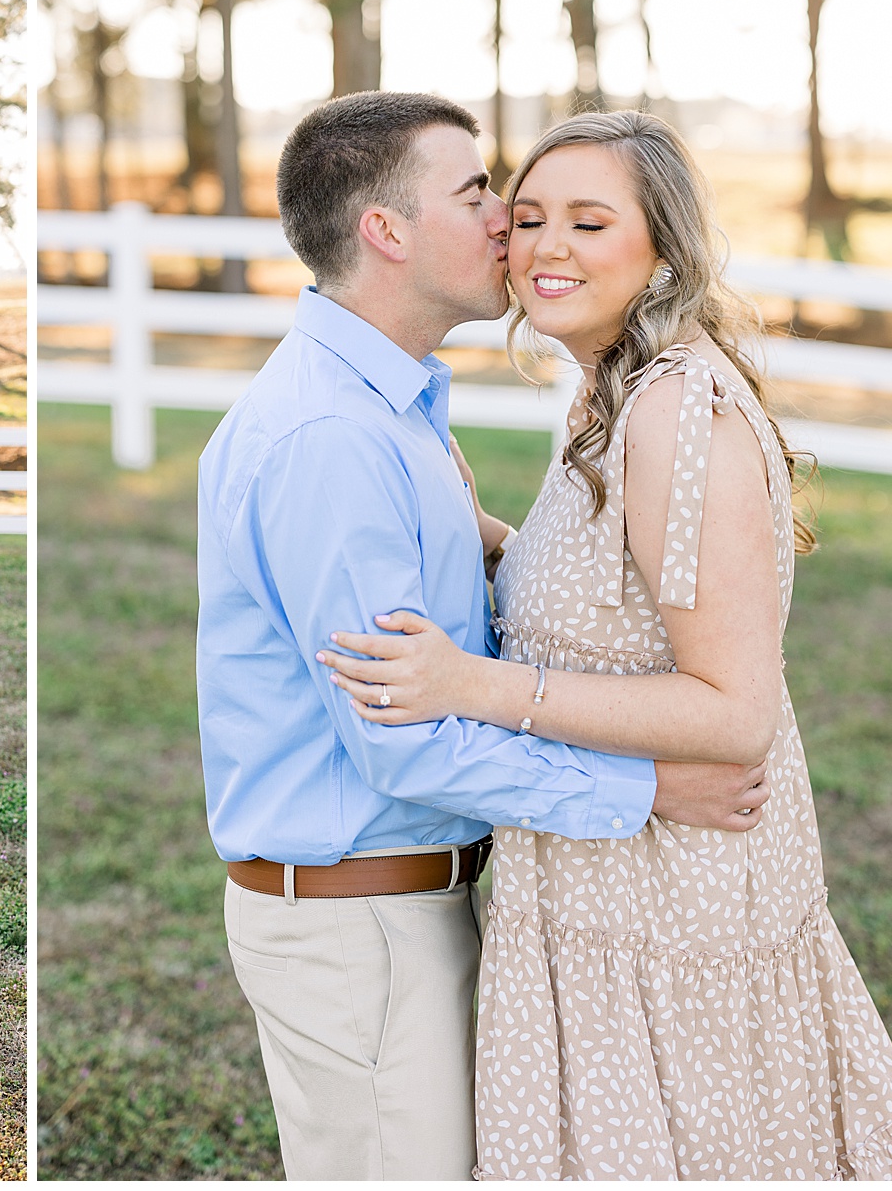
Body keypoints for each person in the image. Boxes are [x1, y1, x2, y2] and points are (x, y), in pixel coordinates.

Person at [318, 110, 892, 1179]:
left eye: (591, 222)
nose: (548, 247)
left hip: (673, 908)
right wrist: (471, 527)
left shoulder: (678, 412)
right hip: (600, 884)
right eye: (531, 215)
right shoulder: (616, 389)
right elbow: (610, 599)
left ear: (664, 247)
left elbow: (733, 712)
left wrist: (475, 682)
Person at [195, 92, 774, 1180]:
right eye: (479, 193)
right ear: (386, 231)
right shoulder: (333, 438)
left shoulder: (395, 411)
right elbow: (402, 737)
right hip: (361, 924)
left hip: (419, 901)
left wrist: (508, 550)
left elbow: (461, 635)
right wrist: (648, 792)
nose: (508, 221)